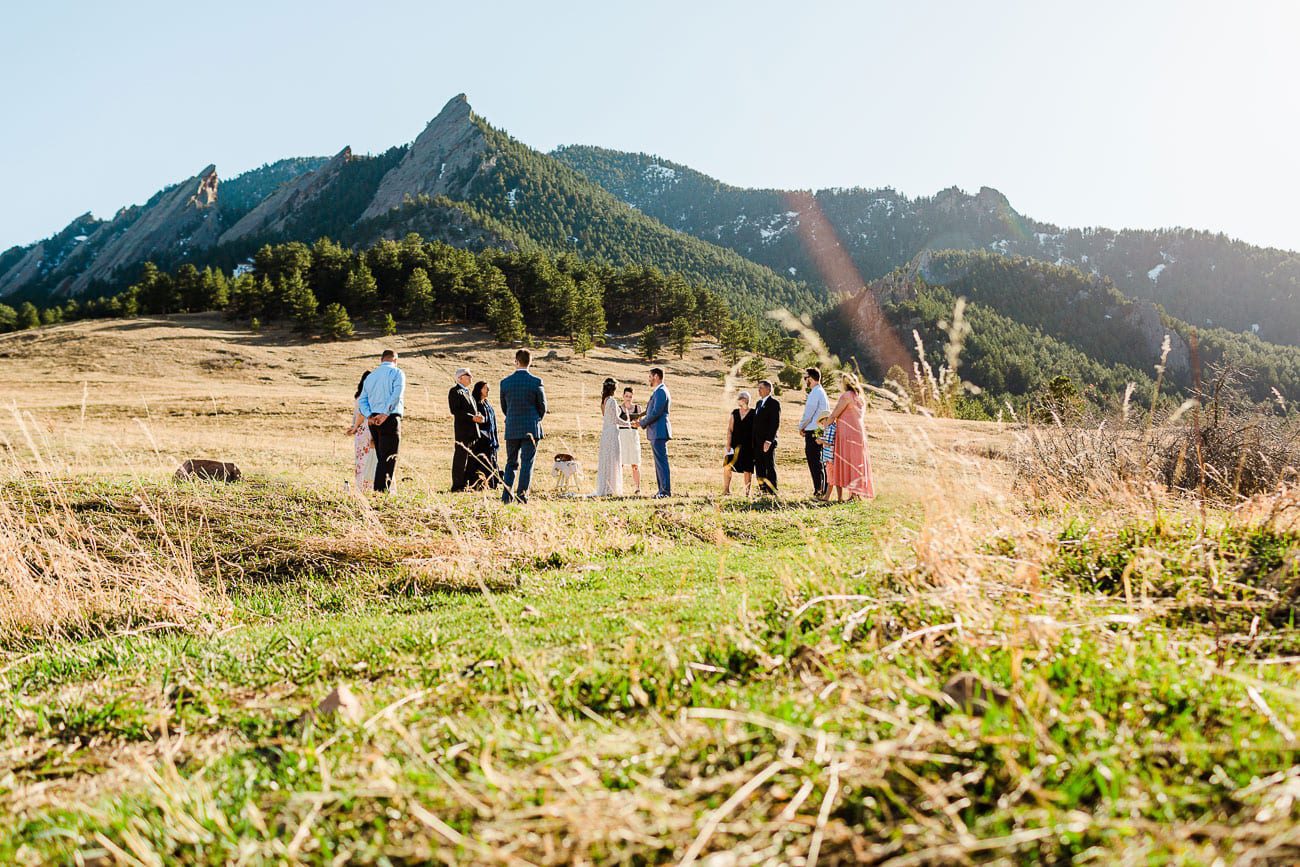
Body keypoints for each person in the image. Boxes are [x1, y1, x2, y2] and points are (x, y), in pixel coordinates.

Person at [499, 348, 547, 505]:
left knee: (511, 462)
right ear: (530, 362)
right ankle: (522, 496)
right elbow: (543, 406)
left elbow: (504, 407)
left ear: (516, 361)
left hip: (512, 427)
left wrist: (512, 417)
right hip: (531, 427)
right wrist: (536, 418)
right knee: (527, 463)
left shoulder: (505, 383)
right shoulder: (536, 382)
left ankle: (506, 496)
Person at [358, 349, 406, 493]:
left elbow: (363, 400)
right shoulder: (397, 373)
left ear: (381, 360)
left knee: (381, 456)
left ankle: (379, 490)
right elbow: (396, 394)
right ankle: (381, 491)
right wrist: (385, 413)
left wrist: (369, 416)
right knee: (389, 457)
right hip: (390, 418)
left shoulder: (371, 377)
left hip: (373, 420)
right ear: (395, 360)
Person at [826, 371, 876, 502]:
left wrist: (824, 426)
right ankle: (855, 494)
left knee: (847, 461)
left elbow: (835, 414)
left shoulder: (846, 396)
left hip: (847, 433)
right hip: (859, 433)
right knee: (857, 462)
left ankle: (853, 494)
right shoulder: (860, 397)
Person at [638, 367, 672, 498]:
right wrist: (640, 418)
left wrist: (642, 423)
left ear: (656, 376)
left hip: (659, 431)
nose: (649, 379)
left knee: (661, 462)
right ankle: (661, 491)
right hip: (656, 432)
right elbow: (650, 411)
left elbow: (656, 412)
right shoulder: (659, 391)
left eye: (650, 376)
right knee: (659, 463)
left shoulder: (661, 391)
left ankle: (665, 492)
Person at [448, 367, 484, 492]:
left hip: (473, 431)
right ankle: (457, 485)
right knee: (460, 458)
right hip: (463, 431)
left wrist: (478, 415)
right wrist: (472, 418)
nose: (471, 377)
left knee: (470, 459)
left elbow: (472, 410)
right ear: (460, 378)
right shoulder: (455, 391)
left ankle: (467, 483)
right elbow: (456, 411)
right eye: (468, 375)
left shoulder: (468, 392)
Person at [799, 367, 829, 498]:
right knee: (819, 460)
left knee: (814, 460)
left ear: (810, 378)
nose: (805, 380)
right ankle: (822, 489)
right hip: (820, 429)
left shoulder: (815, 392)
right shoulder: (821, 392)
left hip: (813, 430)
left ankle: (819, 490)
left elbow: (809, 413)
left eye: (806, 378)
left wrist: (801, 426)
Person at [347, 370, 377, 493]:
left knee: (362, 460)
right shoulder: (372, 396)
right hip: (369, 429)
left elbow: (360, 415)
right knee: (371, 459)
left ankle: (362, 488)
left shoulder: (360, 396)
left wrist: (354, 428)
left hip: (363, 431)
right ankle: (370, 486)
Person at [593, 377, 623, 496]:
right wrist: (629, 423)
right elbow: (616, 419)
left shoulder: (604, 401)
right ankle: (612, 487)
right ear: (614, 388)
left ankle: (606, 485)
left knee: (607, 459)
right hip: (612, 432)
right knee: (613, 459)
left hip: (606, 432)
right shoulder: (612, 401)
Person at [468, 380, 500, 489]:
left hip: (490, 437)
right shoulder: (475, 403)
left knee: (492, 459)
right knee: (482, 461)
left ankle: (491, 483)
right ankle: (479, 483)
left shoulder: (486, 403)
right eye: (485, 388)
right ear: (479, 389)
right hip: (481, 439)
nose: (488, 390)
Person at [723, 390, 755, 497]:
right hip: (734, 444)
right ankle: (726, 490)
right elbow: (730, 429)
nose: (739, 400)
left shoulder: (753, 413)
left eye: (741, 398)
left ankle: (747, 492)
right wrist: (728, 444)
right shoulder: (735, 413)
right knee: (728, 466)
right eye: (739, 398)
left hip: (748, 446)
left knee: (747, 469)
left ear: (746, 400)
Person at [751, 379, 781, 495]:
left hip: (767, 441)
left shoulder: (774, 403)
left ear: (768, 389)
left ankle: (772, 490)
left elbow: (775, 423)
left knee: (769, 465)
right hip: (757, 442)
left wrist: (769, 440)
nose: (759, 390)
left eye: (761, 388)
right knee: (759, 466)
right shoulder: (758, 403)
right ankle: (762, 489)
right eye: (758, 388)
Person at [617, 386, 643, 496]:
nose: (628, 398)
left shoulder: (638, 408)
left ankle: (637, 488)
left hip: (633, 435)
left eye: (630, 397)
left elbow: (640, 423)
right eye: (626, 396)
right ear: (623, 396)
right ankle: (619, 487)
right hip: (622, 435)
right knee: (620, 463)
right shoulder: (618, 408)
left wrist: (636, 423)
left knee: (635, 464)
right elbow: (616, 422)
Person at [814, 410, 837, 501]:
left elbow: (829, 442)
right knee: (830, 477)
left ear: (827, 419)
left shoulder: (831, 428)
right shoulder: (830, 428)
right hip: (829, 456)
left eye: (822, 422)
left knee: (830, 478)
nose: (822, 424)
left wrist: (821, 441)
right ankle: (827, 496)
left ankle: (827, 497)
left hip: (830, 457)